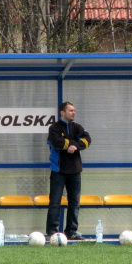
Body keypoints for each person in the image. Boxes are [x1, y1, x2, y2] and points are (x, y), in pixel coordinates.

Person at [45, 101, 91, 241]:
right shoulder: (54, 128)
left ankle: (71, 231)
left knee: (74, 203)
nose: (73, 112)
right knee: (55, 202)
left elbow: (87, 140)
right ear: (62, 112)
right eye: (70, 110)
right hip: (58, 170)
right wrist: (73, 144)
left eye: (74, 110)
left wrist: (74, 146)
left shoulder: (77, 127)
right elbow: (57, 142)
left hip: (75, 171)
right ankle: (52, 232)